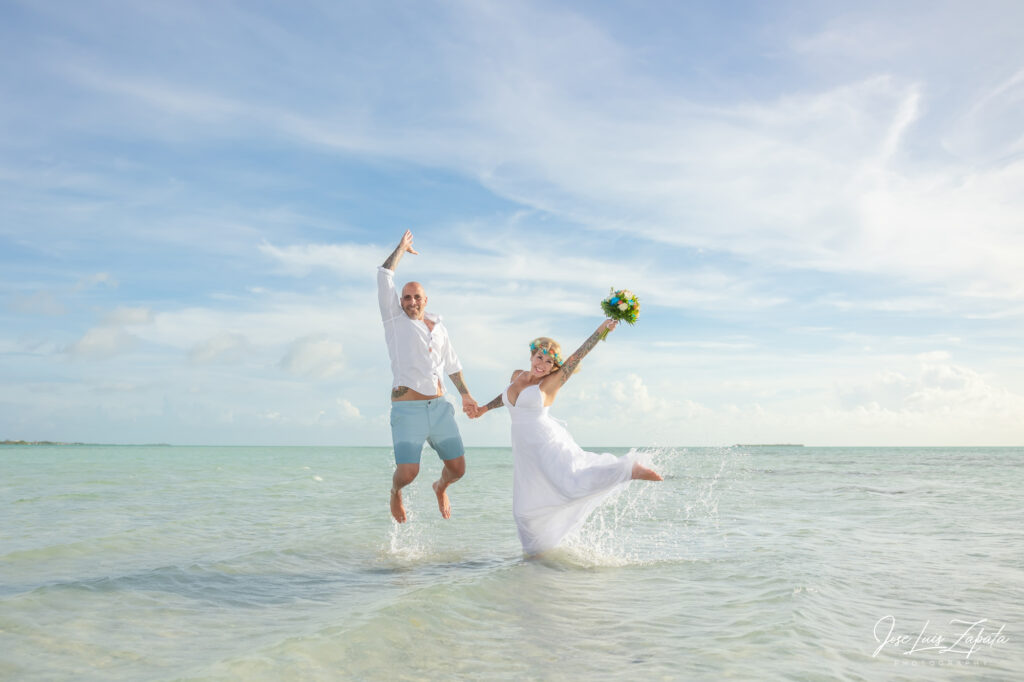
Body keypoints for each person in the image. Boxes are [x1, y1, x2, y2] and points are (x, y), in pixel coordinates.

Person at [470, 318, 662, 555]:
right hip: (525, 451)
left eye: (549, 362)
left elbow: (578, 356)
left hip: (544, 442)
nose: (542, 364)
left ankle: (628, 470)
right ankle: (538, 555)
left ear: (554, 367)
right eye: (539, 357)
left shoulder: (551, 383)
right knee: (524, 510)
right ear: (531, 356)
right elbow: (507, 399)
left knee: (571, 484)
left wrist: (601, 330)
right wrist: (483, 409)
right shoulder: (517, 376)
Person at [377, 230, 478, 523]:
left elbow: (452, 364)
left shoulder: (439, 328)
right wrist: (400, 249)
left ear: (425, 300)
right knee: (408, 473)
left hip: (440, 408)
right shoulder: (394, 320)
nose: (411, 302)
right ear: (400, 301)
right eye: (406, 297)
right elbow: (384, 275)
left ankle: (440, 487)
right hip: (407, 409)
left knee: (458, 469)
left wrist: (466, 395)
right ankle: (395, 492)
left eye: (416, 297)